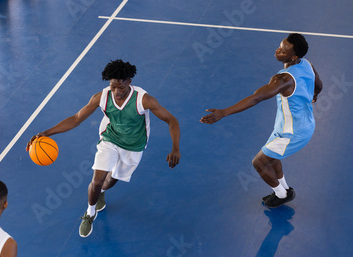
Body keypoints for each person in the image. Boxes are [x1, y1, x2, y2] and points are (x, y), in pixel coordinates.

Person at [27, 59, 181, 237]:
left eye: (121, 87)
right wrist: (46, 133)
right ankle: (90, 213)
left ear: (129, 82)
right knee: (97, 179)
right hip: (110, 138)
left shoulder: (143, 99)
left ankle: (101, 193)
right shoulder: (101, 97)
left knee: (110, 181)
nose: (116, 92)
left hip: (133, 146)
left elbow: (172, 120)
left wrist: (175, 148)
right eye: (113, 86)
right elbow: (76, 118)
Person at [200, 33, 322, 208]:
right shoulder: (307, 65)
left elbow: (257, 98)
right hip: (295, 124)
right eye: (280, 46)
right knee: (271, 156)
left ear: (294, 56)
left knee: (259, 162)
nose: (278, 50)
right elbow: (319, 86)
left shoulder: (283, 79)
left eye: (283, 50)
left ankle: (281, 195)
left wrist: (223, 112)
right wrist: (314, 95)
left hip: (293, 132)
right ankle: (285, 189)